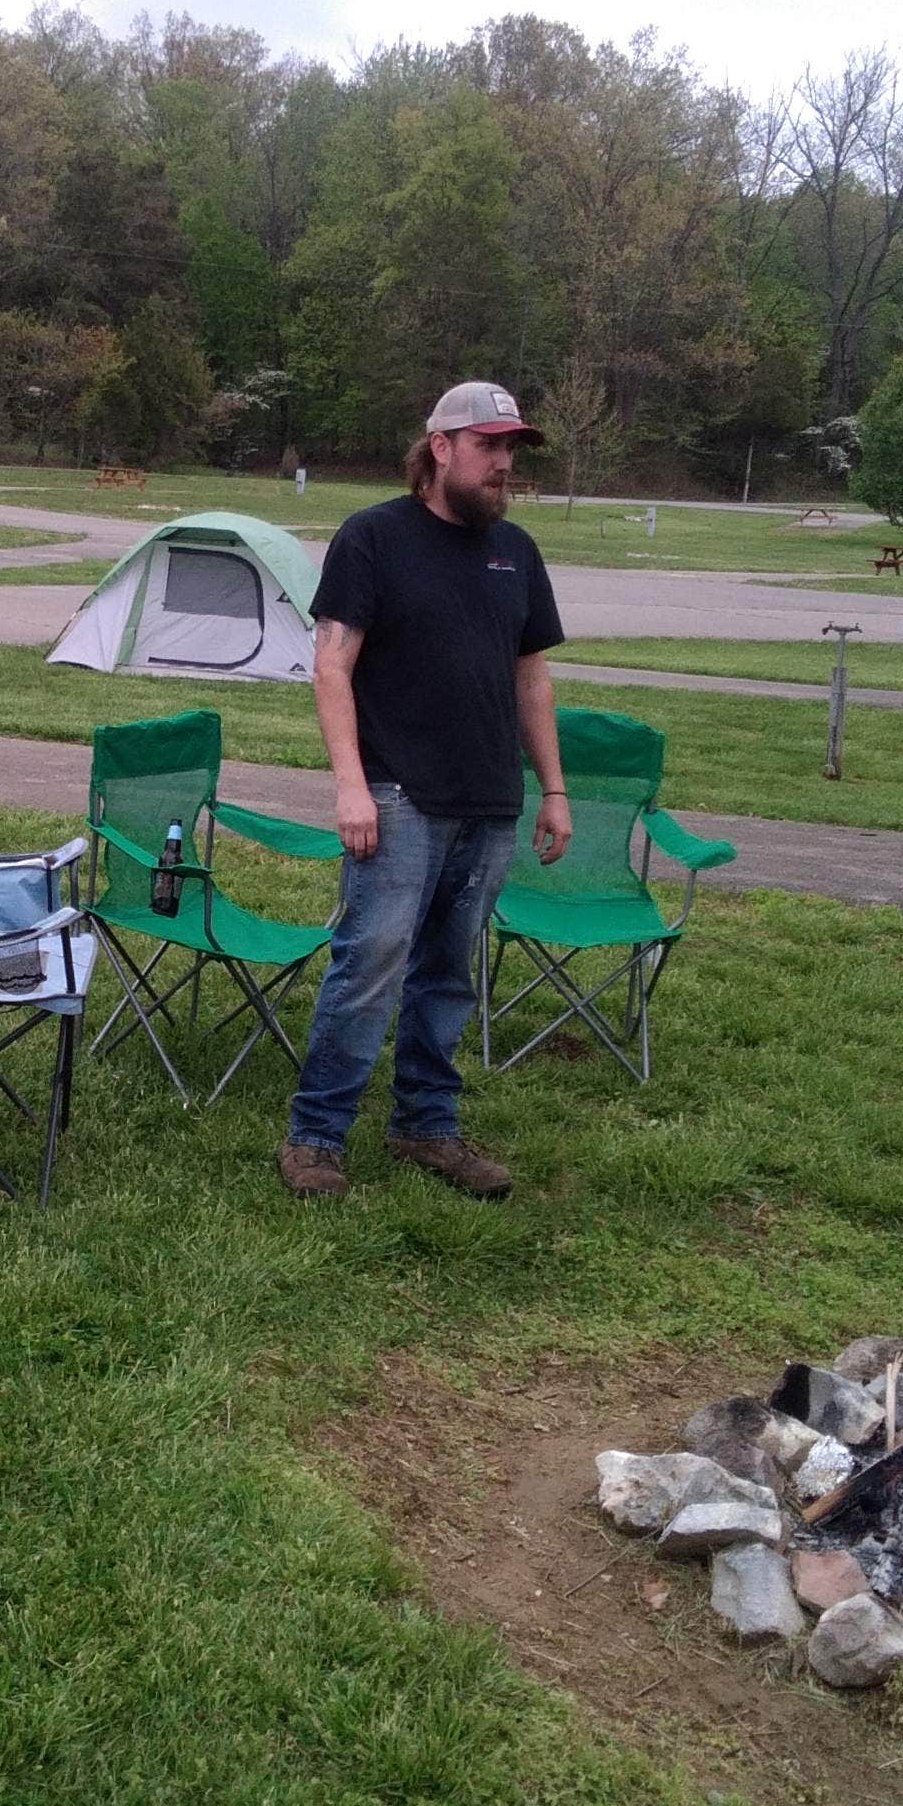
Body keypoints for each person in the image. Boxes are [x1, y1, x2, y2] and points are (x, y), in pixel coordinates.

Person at [280, 381, 571, 1200]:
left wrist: (552, 788)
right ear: (440, 447)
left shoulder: (515, 549)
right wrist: (351, 786)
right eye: (490, 447)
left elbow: (531, 678)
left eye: (511, 450)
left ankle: (426, 1127)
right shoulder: (374, 538)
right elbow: (332, 665)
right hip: (399, 795)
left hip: (490, 803)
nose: (504, 465)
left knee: (448, 971)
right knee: (369, 962)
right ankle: (316, 1136)